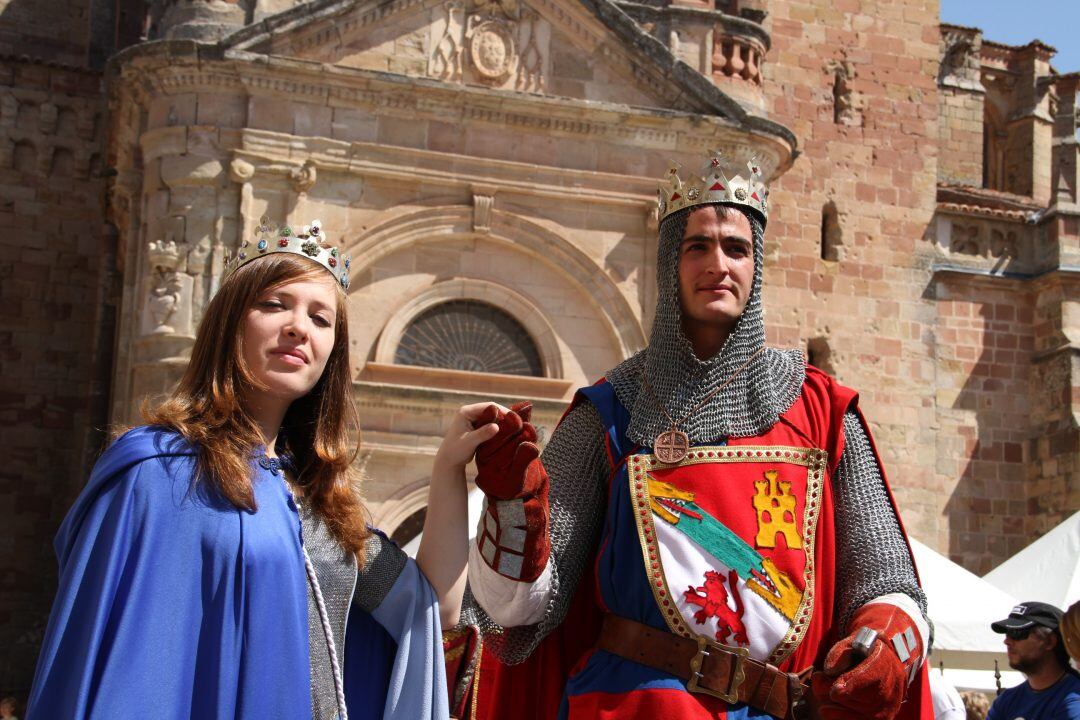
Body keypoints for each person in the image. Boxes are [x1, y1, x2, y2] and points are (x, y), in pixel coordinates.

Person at [453, 152, 934, 719]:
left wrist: (884, 644)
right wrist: (513, 509)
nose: (718, 265)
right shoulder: (609, 413)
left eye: (736, 248)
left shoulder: (823, 412)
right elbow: (521, 609)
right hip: (636, 707)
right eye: (697, 246)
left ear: (757, 267)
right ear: (669, 262)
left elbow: (887, 579)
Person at [25, 218, 498, 719]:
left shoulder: (315, 502)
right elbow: (129, 665)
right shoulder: (159, 472)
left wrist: (450, 467)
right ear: (230, 322)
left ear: (331, 355)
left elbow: (430, 608)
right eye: (274, 304)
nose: (298, 326)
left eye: (321, 319)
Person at [986, 602, 1080, 720]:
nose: (1007, 641)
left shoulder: (1073, 701)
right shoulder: (1006, 700)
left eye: (1017, 633)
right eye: (1007, 633)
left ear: (1050, 641)